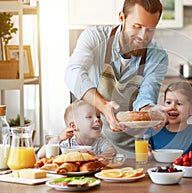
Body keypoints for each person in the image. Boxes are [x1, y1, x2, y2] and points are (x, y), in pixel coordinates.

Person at [64, 0, 170, 157]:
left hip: (133, 150)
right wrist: (103, 105)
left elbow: (146, 96)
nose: (142, 36)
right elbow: (73, 73)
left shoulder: (157, 56)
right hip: (91, 148)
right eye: (137, 26)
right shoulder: (94, 38)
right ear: (122, 17)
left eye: (150, 30)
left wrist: (152, 111)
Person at [145, 82, 192, 155]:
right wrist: (146, 152)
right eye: (168, 102)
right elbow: (145, 153)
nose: (172, 107)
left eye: (179, 104)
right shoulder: (153, 131)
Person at [37, 100, 116, 159]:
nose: (97, 119)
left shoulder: (100, 140)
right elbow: (41, 155)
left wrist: (99, 157)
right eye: (89, 117)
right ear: (73, 126)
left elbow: (112, 152)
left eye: (98, 116)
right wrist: (59, 138)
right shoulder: (67, 141)